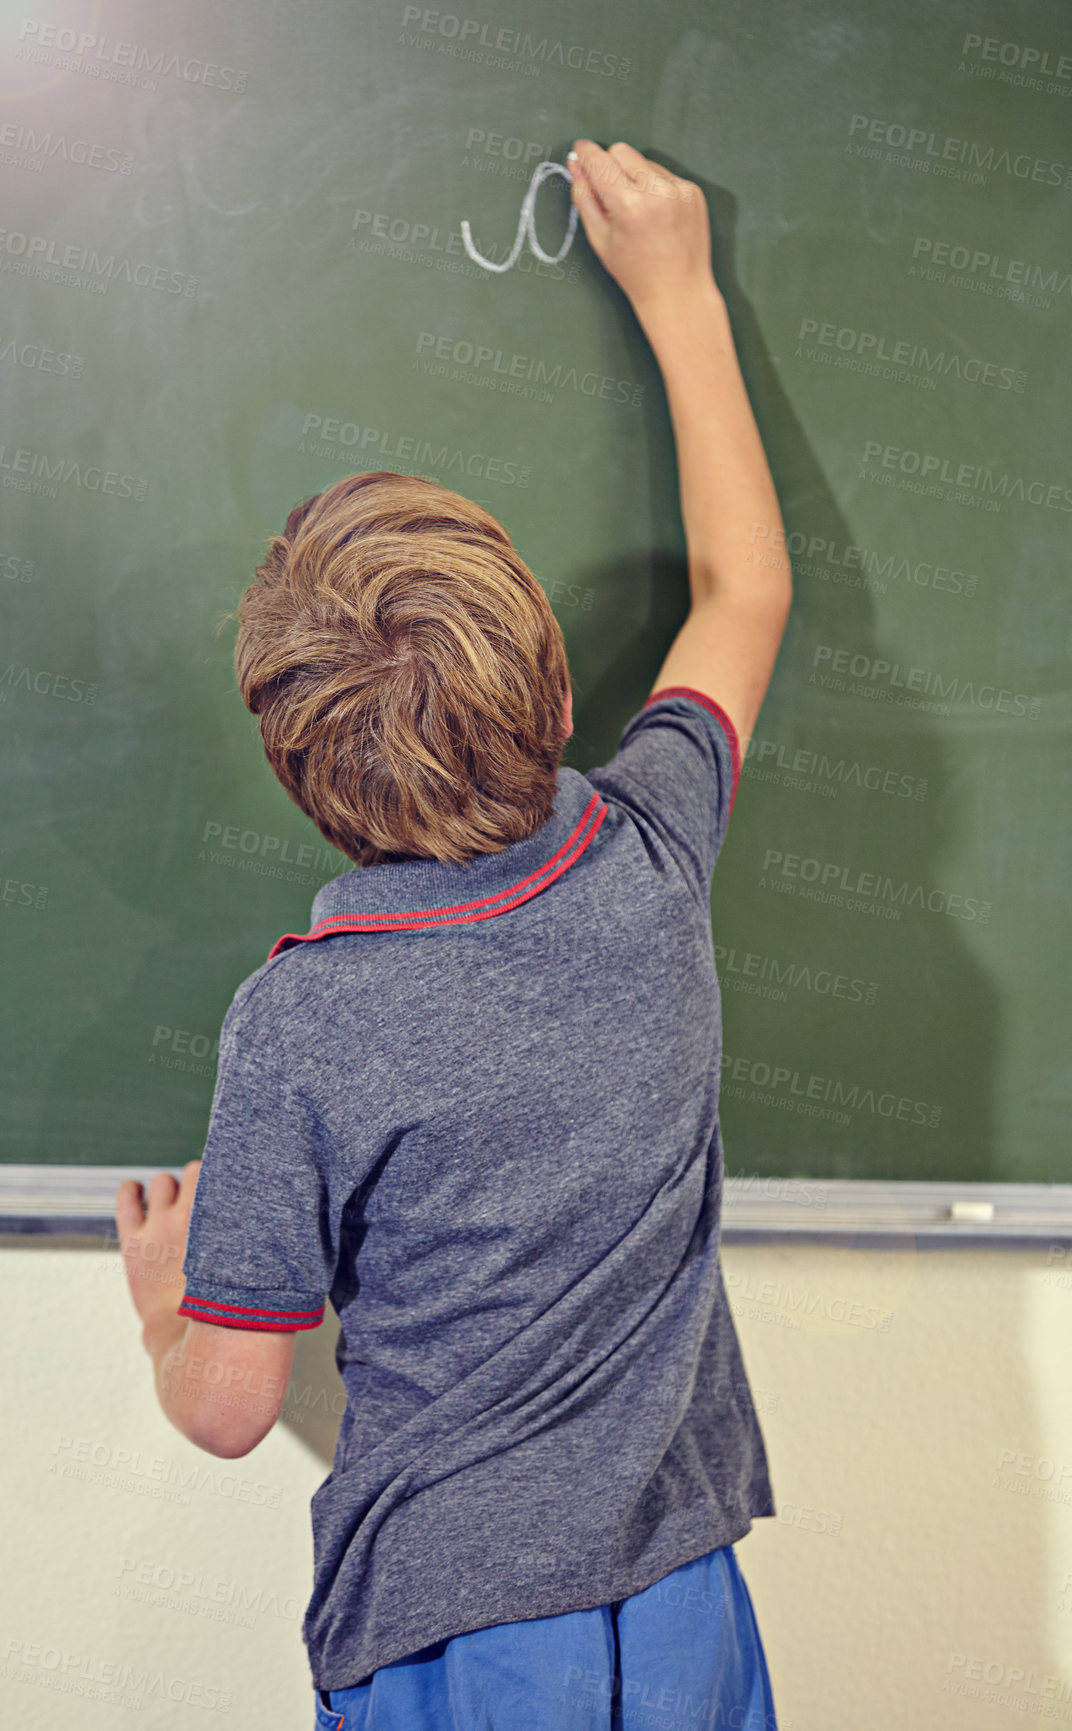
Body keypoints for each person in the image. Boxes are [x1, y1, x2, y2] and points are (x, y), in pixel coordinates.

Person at [116, 138, 794, 1731]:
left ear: (296, 774)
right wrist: (680, 296)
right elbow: (744, 593)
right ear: (561, 696)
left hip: (450, 1638)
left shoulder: (302, 1024)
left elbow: (229, 1408)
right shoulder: (650, 851)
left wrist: (163, 1306)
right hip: (686, 1595)